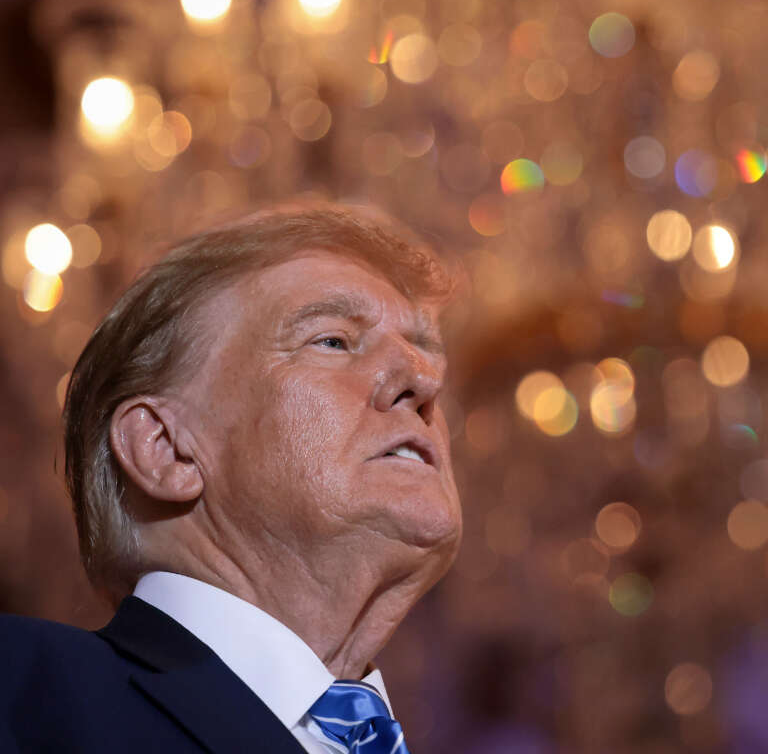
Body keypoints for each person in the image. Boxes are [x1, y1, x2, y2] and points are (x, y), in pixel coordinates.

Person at [0, 203, 462, 753]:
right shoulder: (21, 692)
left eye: (425, 354)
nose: (423, 380)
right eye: (332, 341)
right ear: (165, 450)